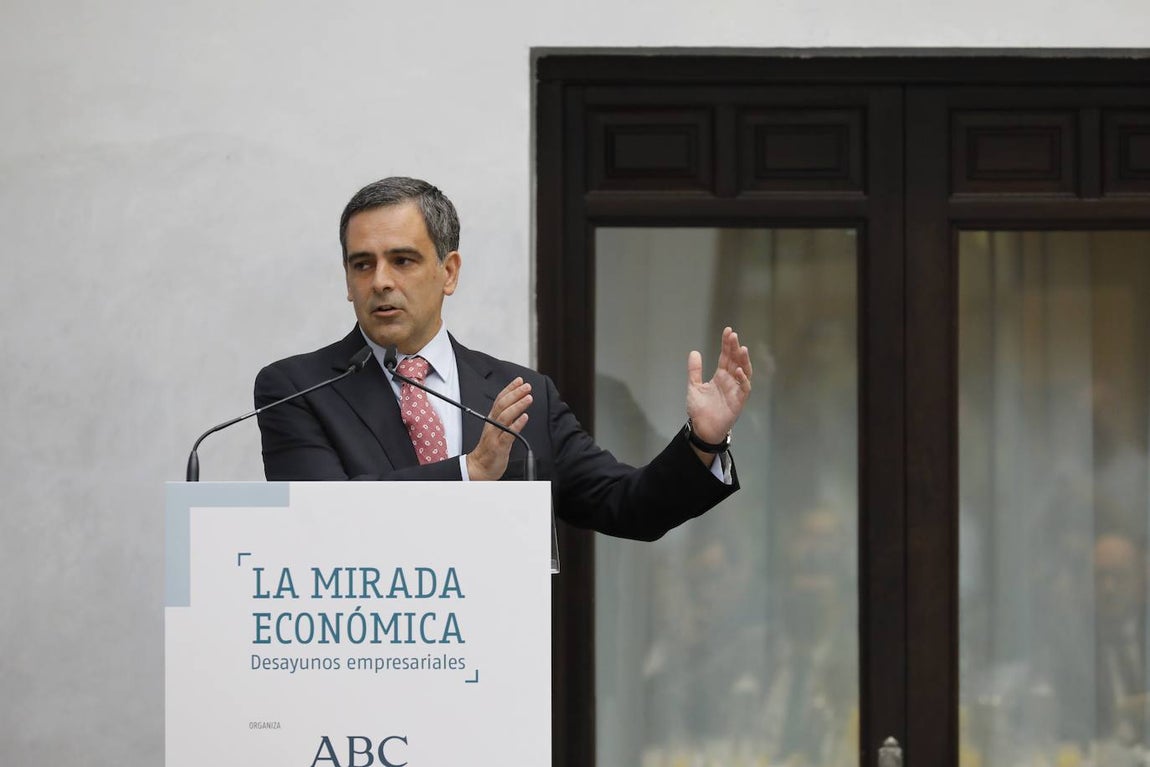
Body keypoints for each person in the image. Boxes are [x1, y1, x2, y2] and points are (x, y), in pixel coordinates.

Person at [254, 176, 754, 541]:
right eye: (362, 264)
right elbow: (317, 520)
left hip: (499, 670)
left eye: (402, 260)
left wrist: (703, 440)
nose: (381, 280)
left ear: (449, 272)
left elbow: (629, 506)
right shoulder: (298, 389)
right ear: (348, 280)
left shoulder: (521, 394)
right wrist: (469, 471)